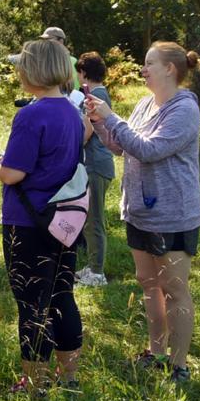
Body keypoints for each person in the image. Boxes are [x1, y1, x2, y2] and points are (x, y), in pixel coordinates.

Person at [85, 42, 200, 383]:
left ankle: (179, 365)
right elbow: (122, 146)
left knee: (174, 288)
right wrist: (102, 124)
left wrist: (111, 117)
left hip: (173, 214)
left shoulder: (184, 108)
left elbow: (150, 150)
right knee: (149, 285)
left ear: (170, 69)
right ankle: (156, 353)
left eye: (150, 62)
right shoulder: (143, 104)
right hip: (139, 212)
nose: (143, 68)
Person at [0, 38, 84, 395]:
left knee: (31, 302)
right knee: (62, 294)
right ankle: (70, 378)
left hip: (28, 222)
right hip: (65, 219)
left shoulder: (30, 114)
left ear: (34, 70)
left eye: (22, 65)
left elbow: (14, 174)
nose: (18, 71)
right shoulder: (73, 113)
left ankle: (35, 385)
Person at [75, 51, 115, 287]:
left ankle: (97, 273)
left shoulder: (93, 96)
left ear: (83, 73)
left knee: (94, 220)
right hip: (95, 165)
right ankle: (91, 266)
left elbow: (87, 131)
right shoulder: (98, 93)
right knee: (89, 220)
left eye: (79, 73)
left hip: (96, 165)